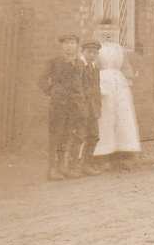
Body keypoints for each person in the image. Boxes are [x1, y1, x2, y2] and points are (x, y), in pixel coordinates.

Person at [92, 20, 141, 170]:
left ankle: (122, 153)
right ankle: (103, 155)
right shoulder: (96, 49)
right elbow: (92, 66)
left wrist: (128, 78)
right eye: (104, 30)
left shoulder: (119, 49)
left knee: (122, 117)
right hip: (102, 83)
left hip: (119, 85)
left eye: (110, 30)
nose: (107, 33)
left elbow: (125, 67)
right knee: (105, 117)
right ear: (98, 32)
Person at [38, 33, 84, 181]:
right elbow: (42, 80)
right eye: (66, 43)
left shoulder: (80, 63)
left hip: (73, 105)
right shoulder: (54, 62)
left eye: (72, 43)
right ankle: (52, 169)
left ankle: (62, 167)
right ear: (61, 46)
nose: (69, 46)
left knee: (67, 135)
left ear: (77, 46)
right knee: (56, 136)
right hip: (58, 104)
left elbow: (81, 83)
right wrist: (52, 91)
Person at [74, 34, 103, 176]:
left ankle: (87, 164)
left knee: (93, 136)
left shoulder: (95, 68)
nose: (92, 55)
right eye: (89, 52)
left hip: (92, 108)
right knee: (78, 136)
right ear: (82, 52)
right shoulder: (78, 66)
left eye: (95, 52)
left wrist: (98, 107)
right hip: (80, 108)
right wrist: (79, 106)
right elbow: (76, 88)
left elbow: (96, 88)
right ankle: (73, 166)